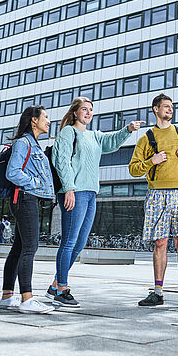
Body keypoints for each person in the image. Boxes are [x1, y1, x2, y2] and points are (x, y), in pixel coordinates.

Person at [47, 97, 144, 308]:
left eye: (91, 110)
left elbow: (110, 141)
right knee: (69, 241)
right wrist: (69, 188)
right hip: (74, 192)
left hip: (91, 193)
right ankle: (61, 289)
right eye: (84, 109)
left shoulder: (93, 135)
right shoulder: (68, 133)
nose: (88, 113)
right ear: (75, 112)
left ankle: (55, 284)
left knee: (80, 243)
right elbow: (61, 161)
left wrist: (127, 129)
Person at [129, 93, 178, 309]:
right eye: (166, 106)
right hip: (157, 195)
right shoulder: (146, 138)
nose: (170, 109)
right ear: (156, 109)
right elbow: (133, 169)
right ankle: (158, 292)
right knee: (160, 243)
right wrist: (151, 161)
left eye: (171, 107)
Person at [0, 105, 55, 314]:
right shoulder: (24, 143)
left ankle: (6, 297)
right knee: (30, 247)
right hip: (24, 197)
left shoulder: (35, 144)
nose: (48, 121)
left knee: (19, 248)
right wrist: (36, 183)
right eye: (46, 117)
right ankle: (27, 299)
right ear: (34, 120)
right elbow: (13, 172)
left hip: (26, 197)